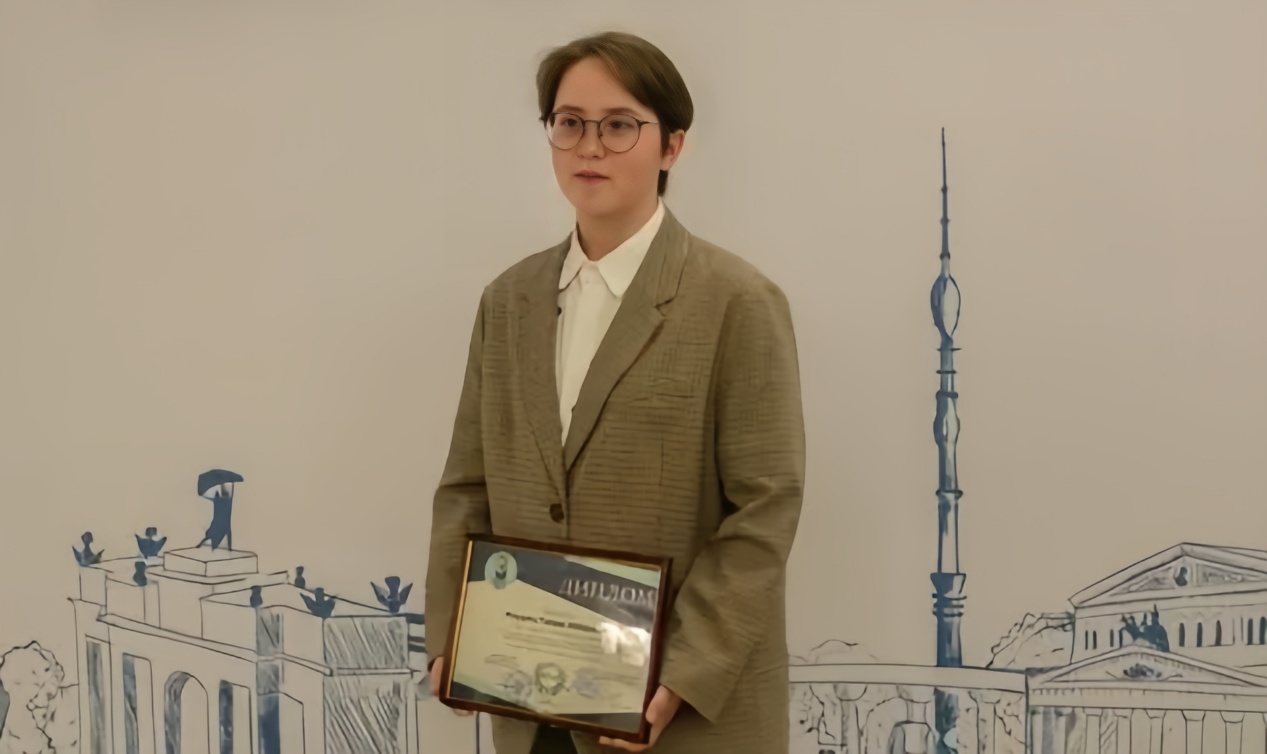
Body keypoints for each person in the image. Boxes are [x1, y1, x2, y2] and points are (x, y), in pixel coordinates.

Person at [424, 30, 805, 754]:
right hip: (528, 707)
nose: (589, 147)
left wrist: (683, 673)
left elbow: (764, 511)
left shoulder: (737, 301)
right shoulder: (507, 300)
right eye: (569, 123)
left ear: (671, 146)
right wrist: (453, 633)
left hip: (679, 717)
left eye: (619, 125)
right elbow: (467, 487)